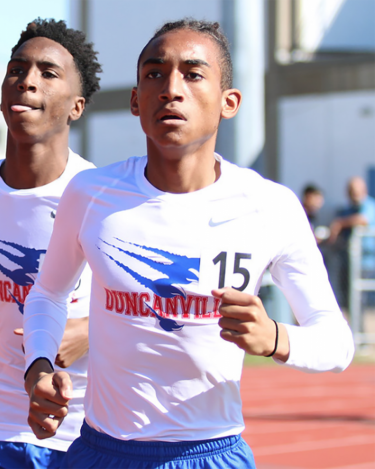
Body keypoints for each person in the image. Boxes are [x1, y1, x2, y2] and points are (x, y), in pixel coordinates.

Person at [23, 19, 354, 469]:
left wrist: (276, 337)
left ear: (228, 102)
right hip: (102, 452)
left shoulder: (269, 206)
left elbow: (336, 343)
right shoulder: (90, 193)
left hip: (211, 453)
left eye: (193, 74)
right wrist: (39, 364)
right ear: (136, 101)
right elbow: (47, 293)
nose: (171, 89)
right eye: (154, 73)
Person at [0, 18, 101, 469]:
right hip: (3, 431)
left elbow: (150, 311)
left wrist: (88, 331)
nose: (27, 82)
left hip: (93, 436)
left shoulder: (100, 195)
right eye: (17, 69)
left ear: (76, 106)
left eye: (48, 73)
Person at [328, 176, 375, 308]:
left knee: (362, 301)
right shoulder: (347, 210)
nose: (354, 194)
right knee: (349, 300)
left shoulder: (369, 206)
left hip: (366, 263)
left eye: (357, 191)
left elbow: (363, 219)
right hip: (347, 262)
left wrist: (341, 223)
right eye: (351, 191)